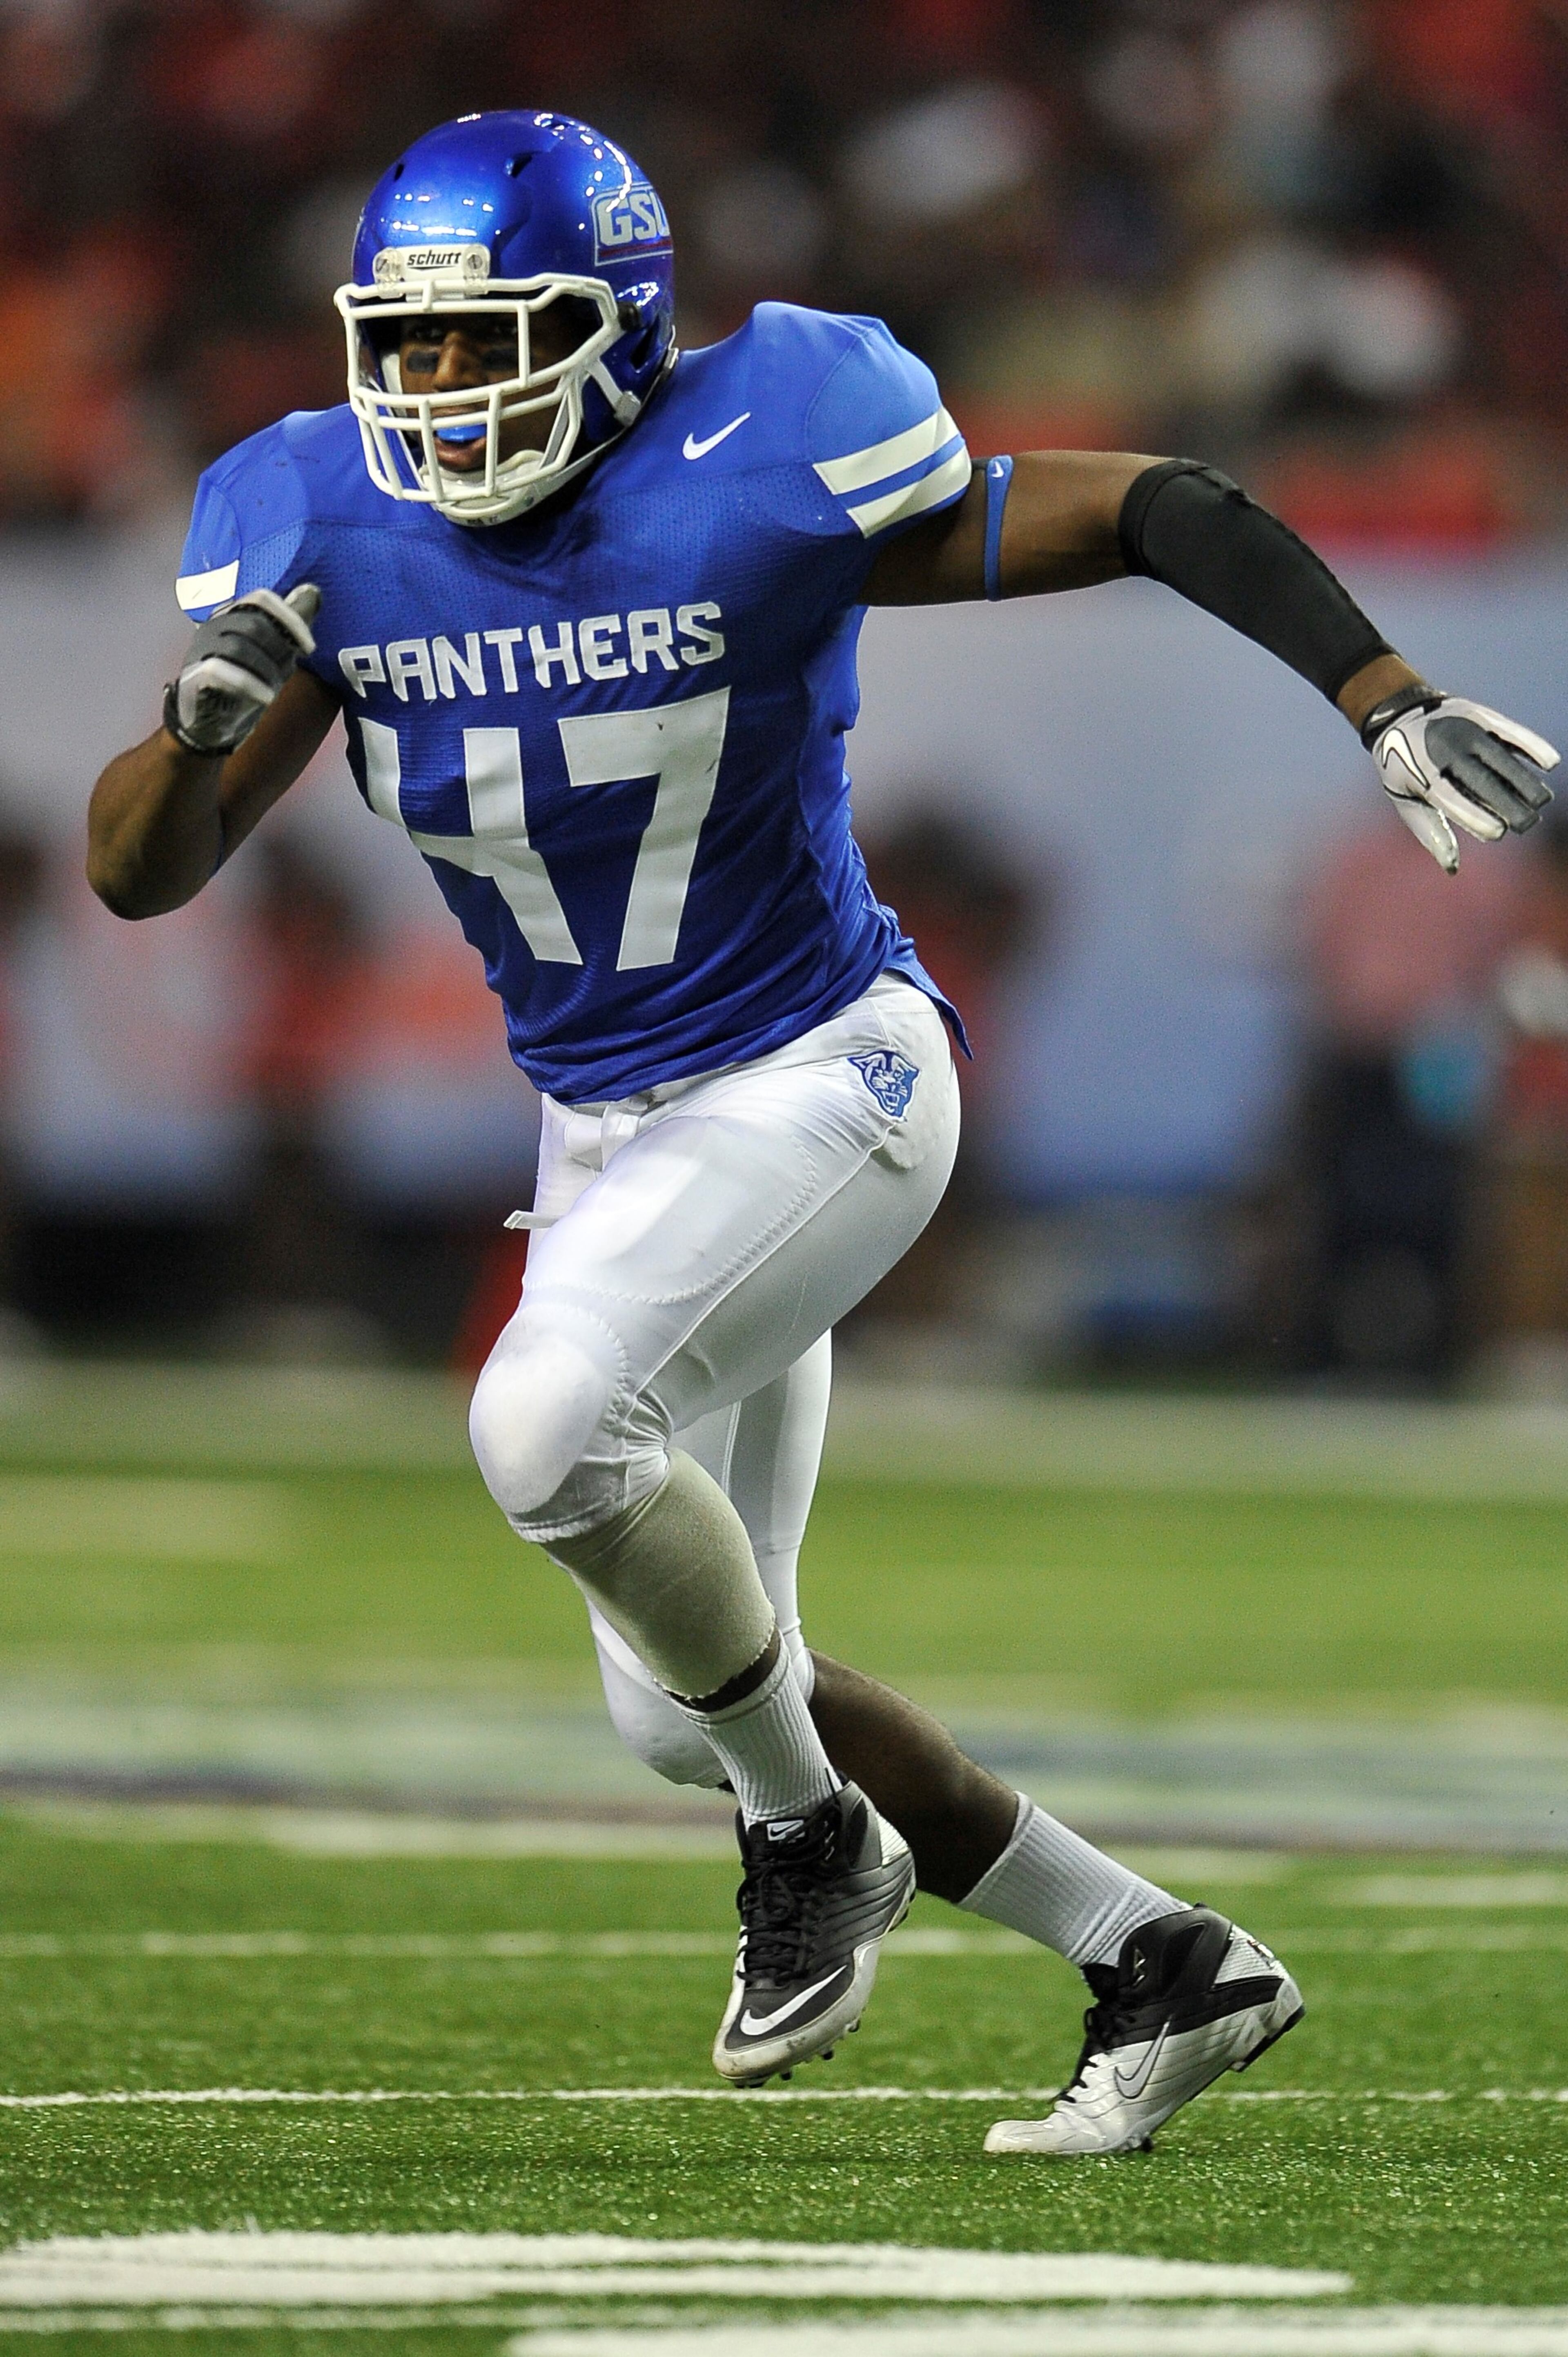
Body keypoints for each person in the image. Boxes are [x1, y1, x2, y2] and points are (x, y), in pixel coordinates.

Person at [86, 110, 1556, 2157]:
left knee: (542, 1438)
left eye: (489, 337)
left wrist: (1381, 689)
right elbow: (139, 874)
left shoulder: (766, 446)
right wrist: (202, 716)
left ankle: (813, 1834)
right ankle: (1158, 1957)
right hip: (610, 1133)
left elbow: (1155, 505)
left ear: (618, 327)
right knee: (674, 1692)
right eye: (406, 346)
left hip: (823, 1076)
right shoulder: (319, 523)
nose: (439, 389)